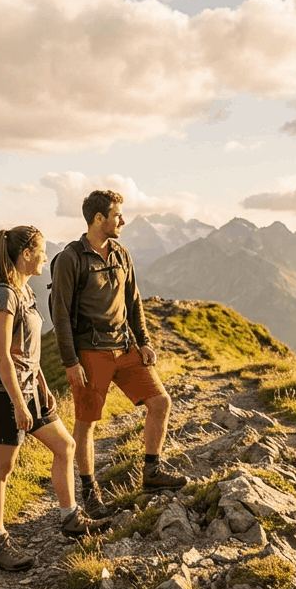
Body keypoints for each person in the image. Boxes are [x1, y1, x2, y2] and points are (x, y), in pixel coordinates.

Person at [0, 225, 108, 572]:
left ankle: (70, 518)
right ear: (25, 255)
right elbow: (3, 355)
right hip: (5, 393)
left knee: (65, 447)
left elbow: (27, 351)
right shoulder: (4, 295)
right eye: (41, 251)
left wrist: (40, 383)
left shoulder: (25, 292)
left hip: (31, 388)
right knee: (2, 468)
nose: (45, 257)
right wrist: (20, 404)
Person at [50, 190, 185, 518]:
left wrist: (144, 340)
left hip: (125, 348)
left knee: (160, 403)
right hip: (90, 353)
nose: (122, 221)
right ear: (99, 219)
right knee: (86, 424)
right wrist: (70, 361)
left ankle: (151, 472)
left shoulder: (121, 254)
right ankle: (89, 491)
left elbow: (134, 300)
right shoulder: (71, 258)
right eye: (117, 215)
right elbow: (61, 314)